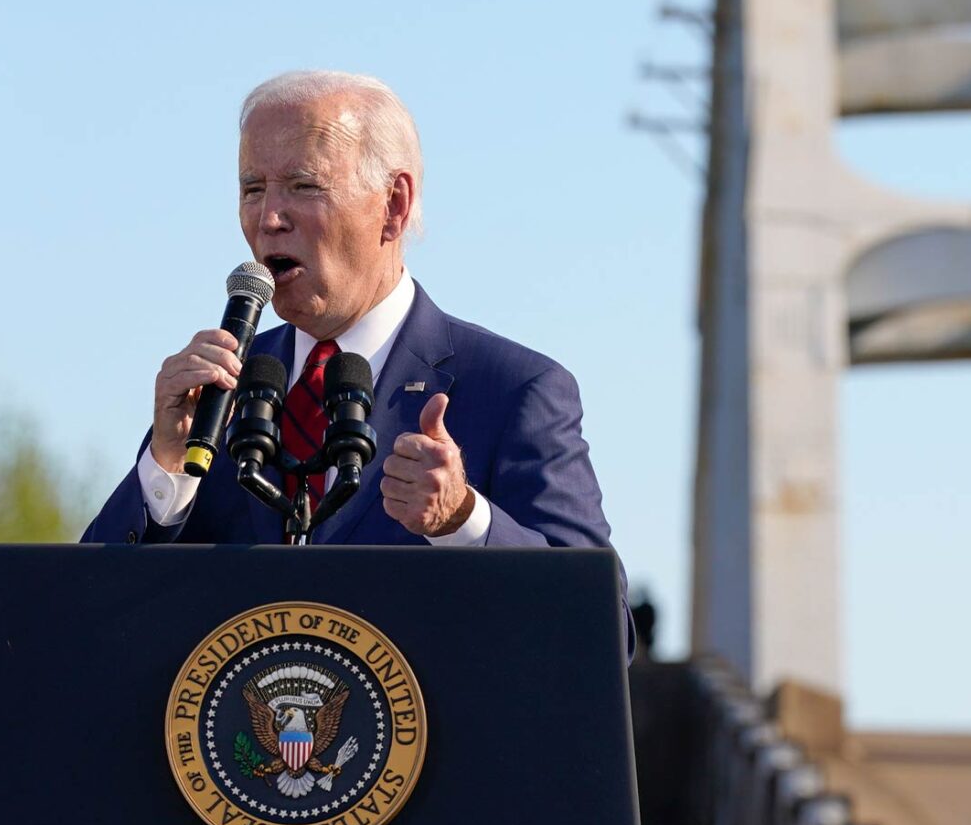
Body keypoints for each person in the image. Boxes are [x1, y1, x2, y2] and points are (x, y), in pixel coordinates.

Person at [82, 70, 613, 559]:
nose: (268, 218)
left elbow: (599, 628)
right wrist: (165, 467)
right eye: (252, 189)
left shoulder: (515, 390)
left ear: (393, 205)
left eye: (303, 186)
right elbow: (85, 612)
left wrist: (463, 521)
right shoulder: (217, 394)